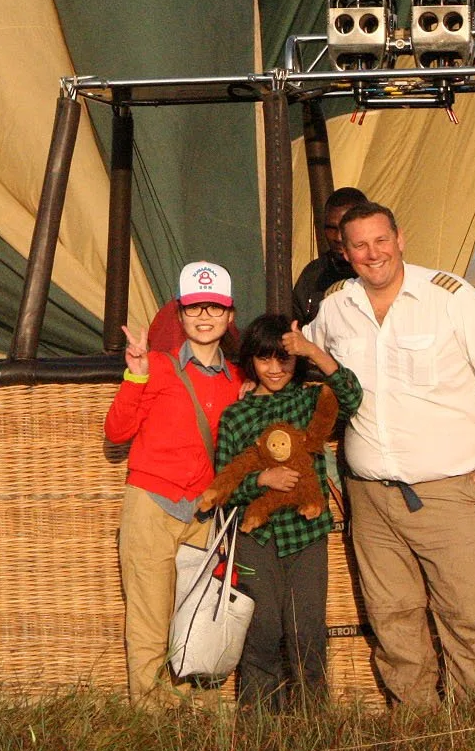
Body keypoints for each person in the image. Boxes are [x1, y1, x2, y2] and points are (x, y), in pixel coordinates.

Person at [309, 201, 475, 707]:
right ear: (345, 253)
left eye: (380, 241)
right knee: (393, 619)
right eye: (359, 246)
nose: (373, 254)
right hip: (371, 497)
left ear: (400, 239)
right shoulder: (337, 305)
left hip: (449, 492)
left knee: (469, 617)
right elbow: (307, 357)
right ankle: (416, 726)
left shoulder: (449, 297)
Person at [102, 260, 245, 703]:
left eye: (214, 307)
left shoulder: (238, 380)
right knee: (149, 619)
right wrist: (135, 373)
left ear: (229, 315)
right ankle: (150, 719)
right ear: (180, 315)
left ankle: (196, 718)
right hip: (152, 502)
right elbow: (117, 432)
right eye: (194, 308)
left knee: (198, 616)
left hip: (203, 511)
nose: (204, 317)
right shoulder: (158, 366)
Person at [211, 313, 362, 710]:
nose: (274, 369)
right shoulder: (236, 415)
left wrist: (313, 350)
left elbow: (351, 396)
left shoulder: (308, 402)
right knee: (260, 631)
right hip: (256, 537)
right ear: (251, 360)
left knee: (306, 631)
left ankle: (312, 724)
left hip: (305, 535)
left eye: (284, 359)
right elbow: (224, 483)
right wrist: (261, 480)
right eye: (264, 359)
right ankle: (260, 728)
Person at [291, 185, 368, 324]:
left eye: (345, 228)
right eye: (331, 228)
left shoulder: (379, 269)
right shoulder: (313, 275)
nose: (338, 237)